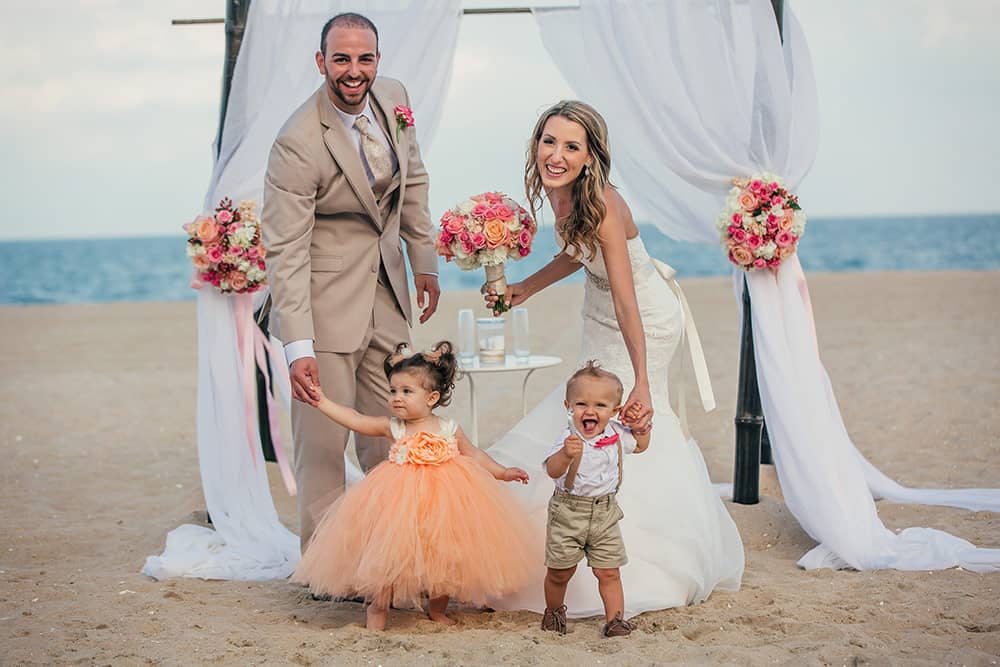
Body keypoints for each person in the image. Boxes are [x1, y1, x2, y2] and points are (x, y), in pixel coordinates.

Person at [484, 100, 745, 618]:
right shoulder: (561, 195)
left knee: (623, 417)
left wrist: (643, 381)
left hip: (642, 317)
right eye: (549, 141)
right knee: (586, 411)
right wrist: (525, 288)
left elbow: (628, 299)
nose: (556, 155)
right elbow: (575, 254)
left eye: (571, 146)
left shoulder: (600, 201)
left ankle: (648, 562)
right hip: (599, 311)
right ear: (536, 143)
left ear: (590, 156)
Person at [262, 12, 440, 551]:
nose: (353, 70)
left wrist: (423, 260)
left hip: (386, 290)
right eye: (341, 59)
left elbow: (414, 179)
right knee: (322, 441)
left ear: (378, 61)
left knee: (400, 426)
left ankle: (395, 549)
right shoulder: (296, 142)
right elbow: (285, 249)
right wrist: (298, 346)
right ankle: (323, 567)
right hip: (324, 304)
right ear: (321, 63)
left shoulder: (395, 97)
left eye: (364, 58)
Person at [291, 342, 536, 630]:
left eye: (407, 392)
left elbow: (474, 454)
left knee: (446, 554)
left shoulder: (448, 428)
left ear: (432, 397)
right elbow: (356, 419)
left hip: (446, 498)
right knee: (387, 555)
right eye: (393, 391)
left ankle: (437, 609)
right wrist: (322, 402)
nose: (397, 398)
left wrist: (502, 472)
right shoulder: (393, 426)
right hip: (398, 498)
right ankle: (378, 607)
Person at [541, 361, 650, 638]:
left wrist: (641, 429)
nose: (590, 411)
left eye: (600, 406)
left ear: (614, 410)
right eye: (581, 404)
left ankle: (615, 620)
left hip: (605, 513)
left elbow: (640, 446)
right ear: (568, 406)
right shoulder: (568, 437)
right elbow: (552, 470)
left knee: (609, 572)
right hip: (568, 513)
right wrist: (566, 454)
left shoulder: (616, 433)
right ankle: (553, 613)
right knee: (560, 572)